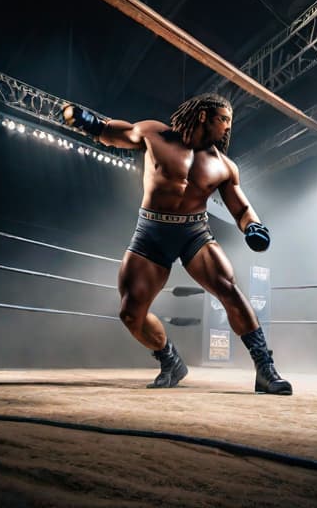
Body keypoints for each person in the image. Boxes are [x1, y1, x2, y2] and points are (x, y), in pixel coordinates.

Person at [62, 93, 292, 395]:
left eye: (229, 122)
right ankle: (170, 359)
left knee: (228, 287)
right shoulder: (155, 134)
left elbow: (241, 209)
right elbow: (117, 133)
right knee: (131, 313)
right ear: (202, 116)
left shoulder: (224, 166)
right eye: (223, 119)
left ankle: (265, 369)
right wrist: (88, 124)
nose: (227, 128)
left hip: (194, 233)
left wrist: (254, 228)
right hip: (151, 231)